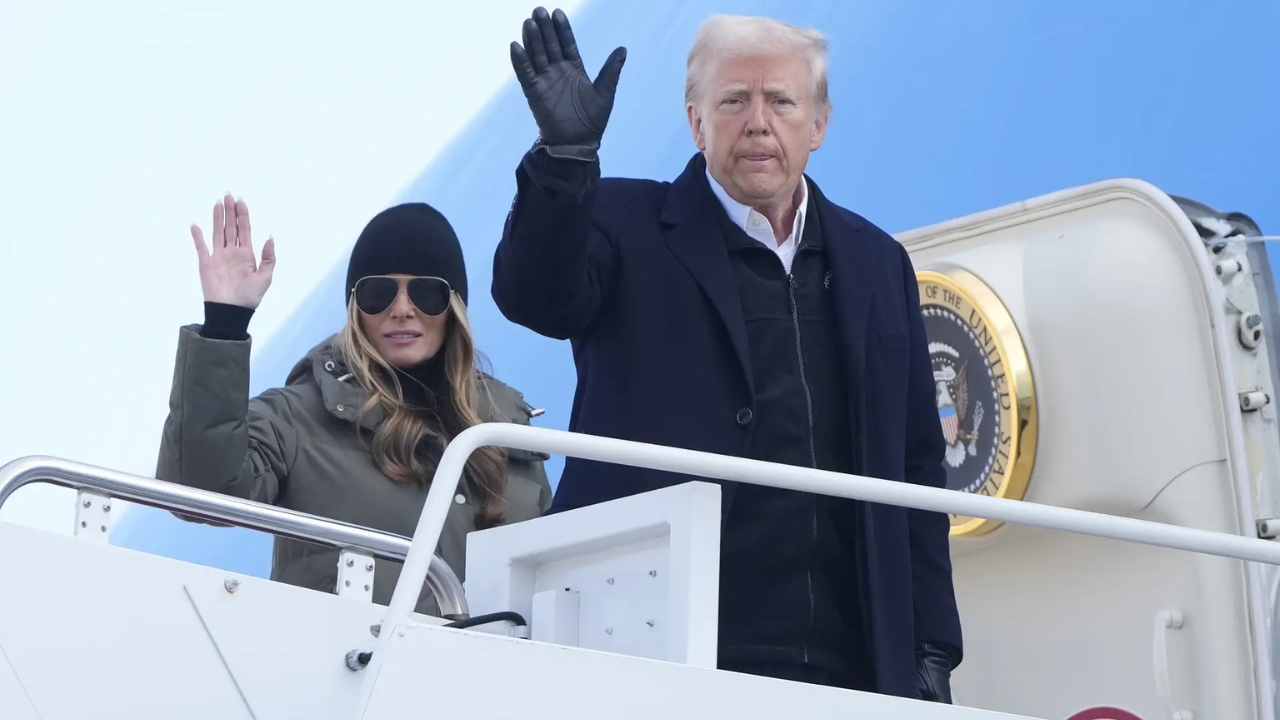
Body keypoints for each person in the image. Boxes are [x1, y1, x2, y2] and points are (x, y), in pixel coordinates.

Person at [493, 7, 960, 702]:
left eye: (780, 101)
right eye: (734, 100)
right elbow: (534, 295)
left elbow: (918, 467)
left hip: (849, 663)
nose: (758, 121)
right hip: (662, 648)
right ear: (696, 121)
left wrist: (930, 647)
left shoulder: (877, 262)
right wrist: (564, 163)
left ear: (819, 124)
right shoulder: (622, 224)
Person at [156, 194, 551, 617]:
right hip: (347, 674)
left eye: (426, 292)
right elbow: (200, 492)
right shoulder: (298, 417)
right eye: (378, 292)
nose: (402, 309)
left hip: (497, 678)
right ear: (354, 309)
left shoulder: (507, 432)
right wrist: (224, 324)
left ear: (452, 307)